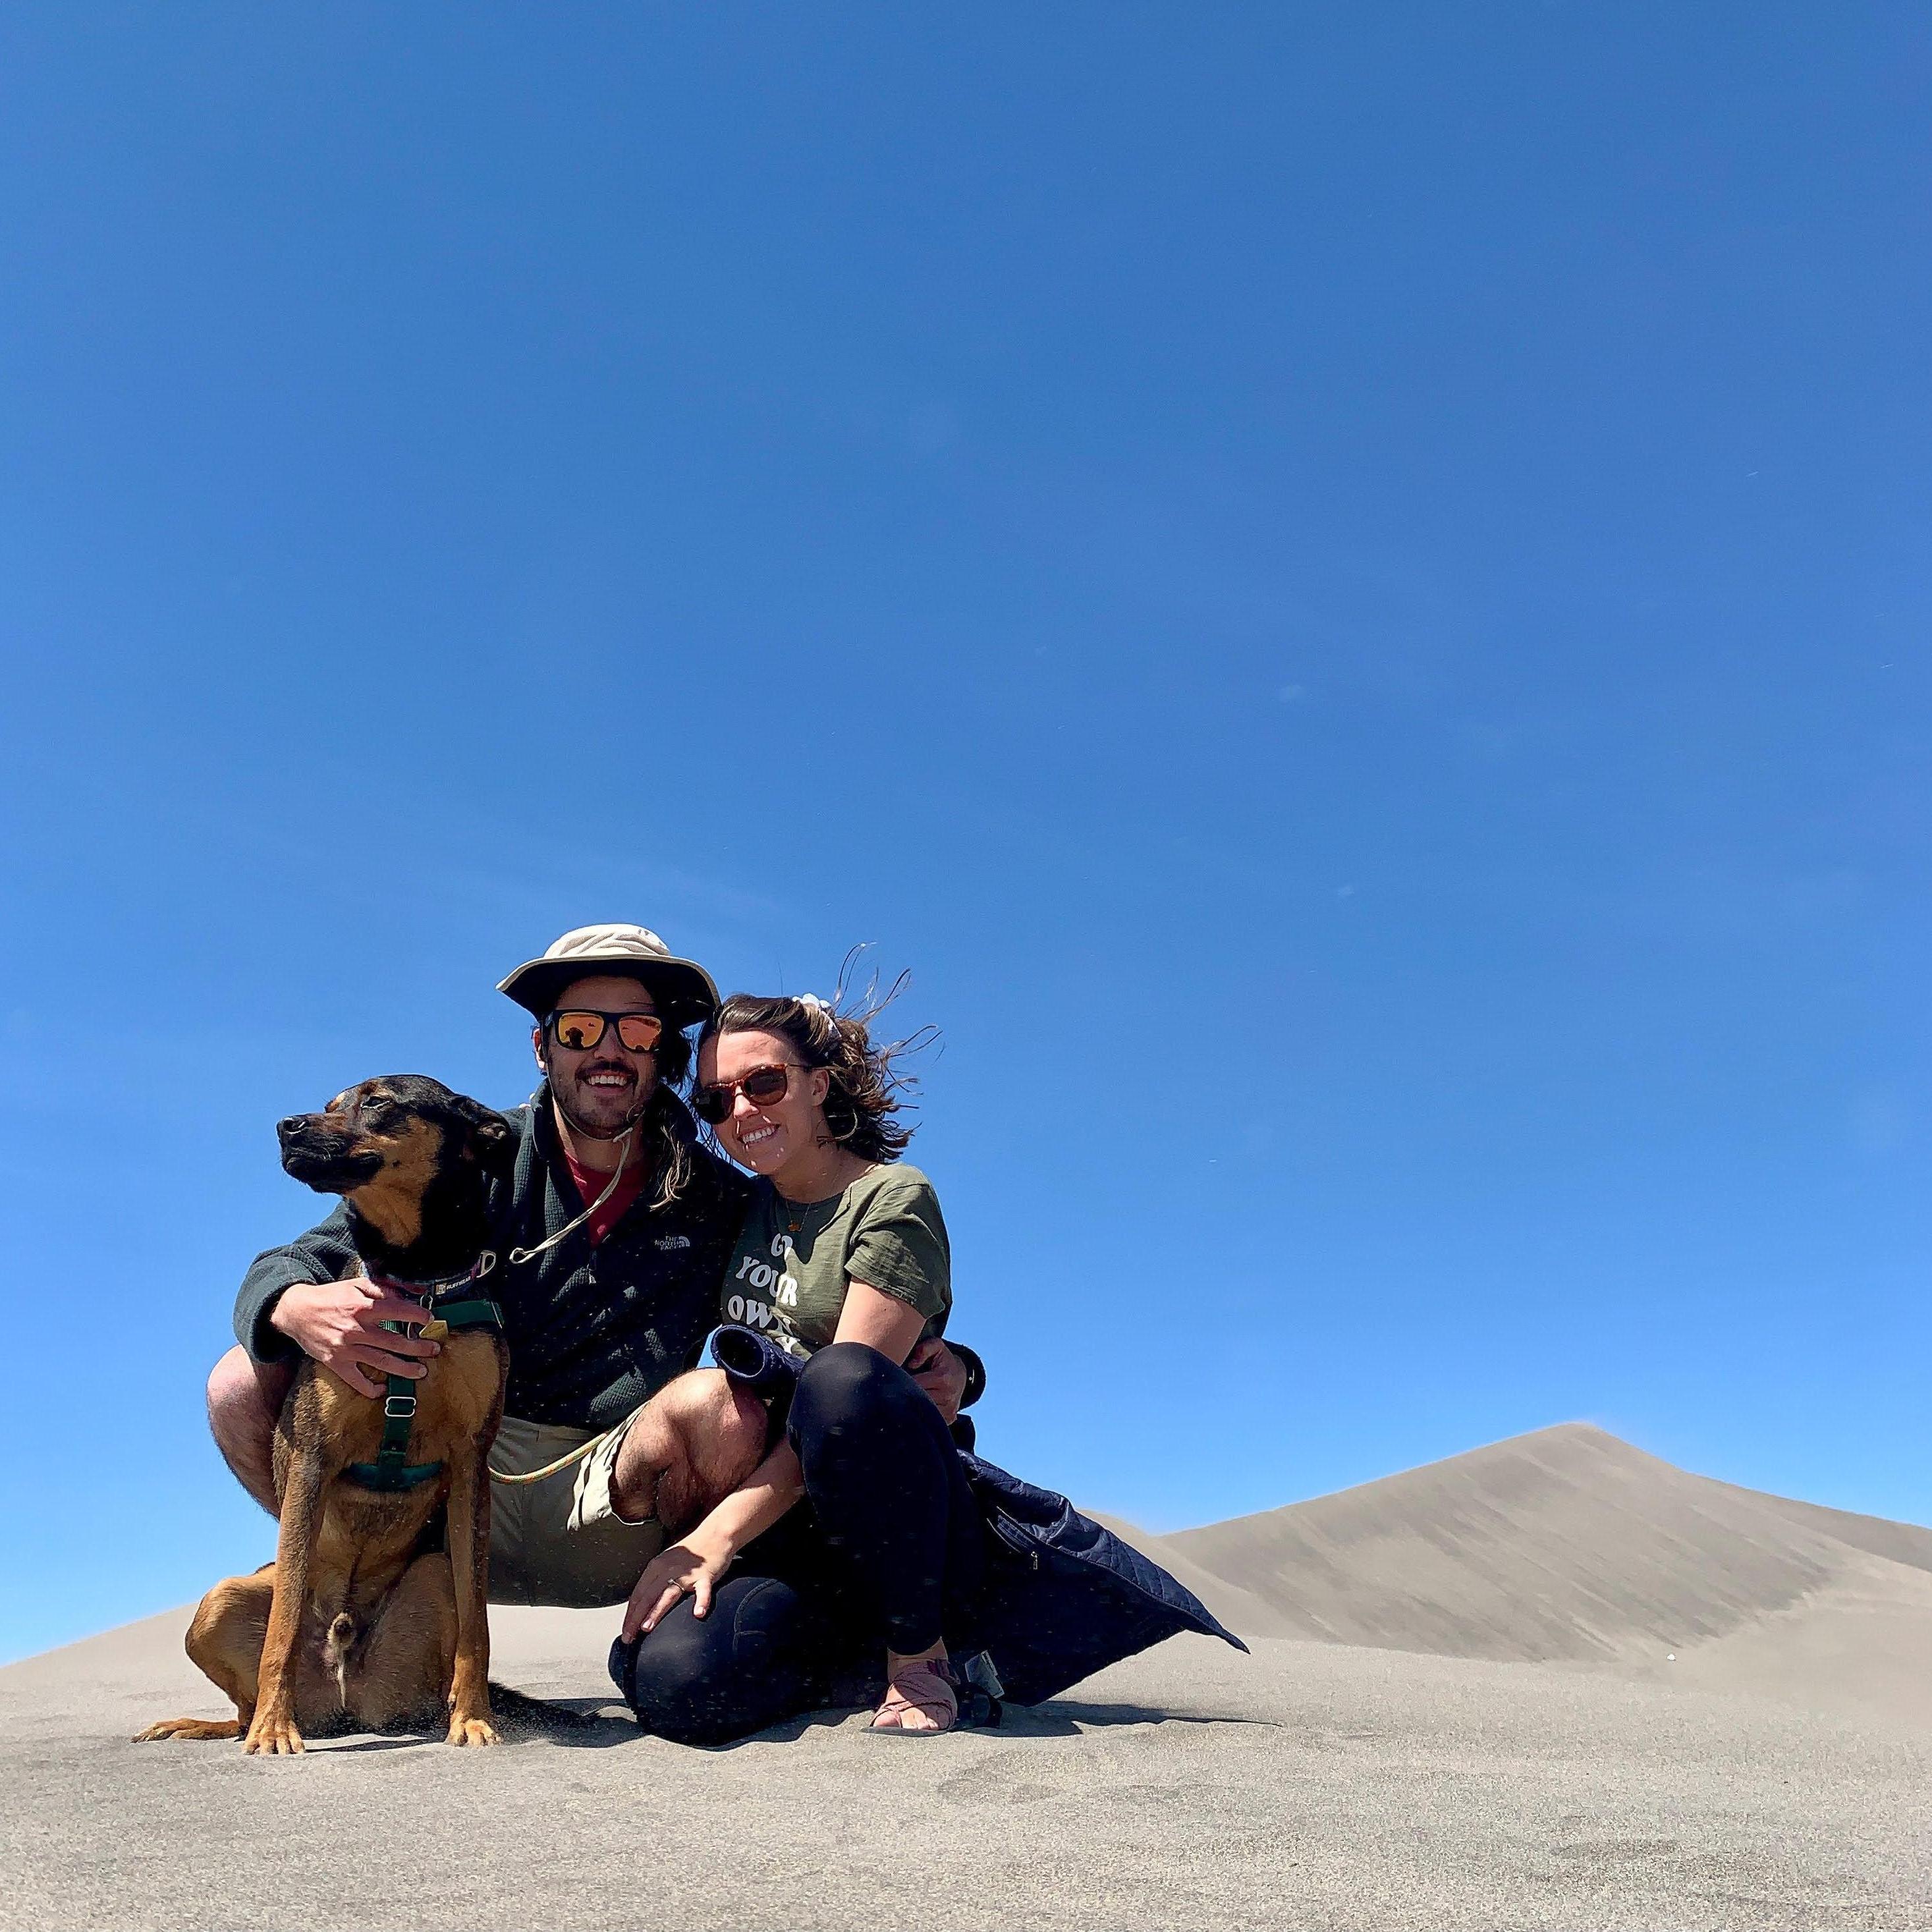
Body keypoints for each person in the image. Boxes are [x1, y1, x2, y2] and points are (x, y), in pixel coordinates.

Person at [207, 924, 978, 1615]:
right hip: (458, 1479)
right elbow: (302, 1254)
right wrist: (291, 1303)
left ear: (661, 1054)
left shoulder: (717, 1199)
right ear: (545, 1048)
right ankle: (358, 1601)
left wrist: (949, 1368)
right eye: (579, 1028)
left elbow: (812, 1297)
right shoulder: (471, 1153)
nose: (606, 1051)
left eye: (637, 1031)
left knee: (720, 1402)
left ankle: (706, 1613)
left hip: (613, 1492)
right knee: (241, 1381)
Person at [617, 989, 985, 1736]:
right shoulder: (735, 1205)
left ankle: (922, 1652)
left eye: (764, 1083)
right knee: (670, 1686)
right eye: (718, 1099)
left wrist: (710, 1539)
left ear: (818, 1083)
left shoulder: (891, 1196)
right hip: (787, 1530)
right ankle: (843, 1651)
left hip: (893, 1520)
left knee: (838, 1377)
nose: (742, 1112)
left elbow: (847, 1404)